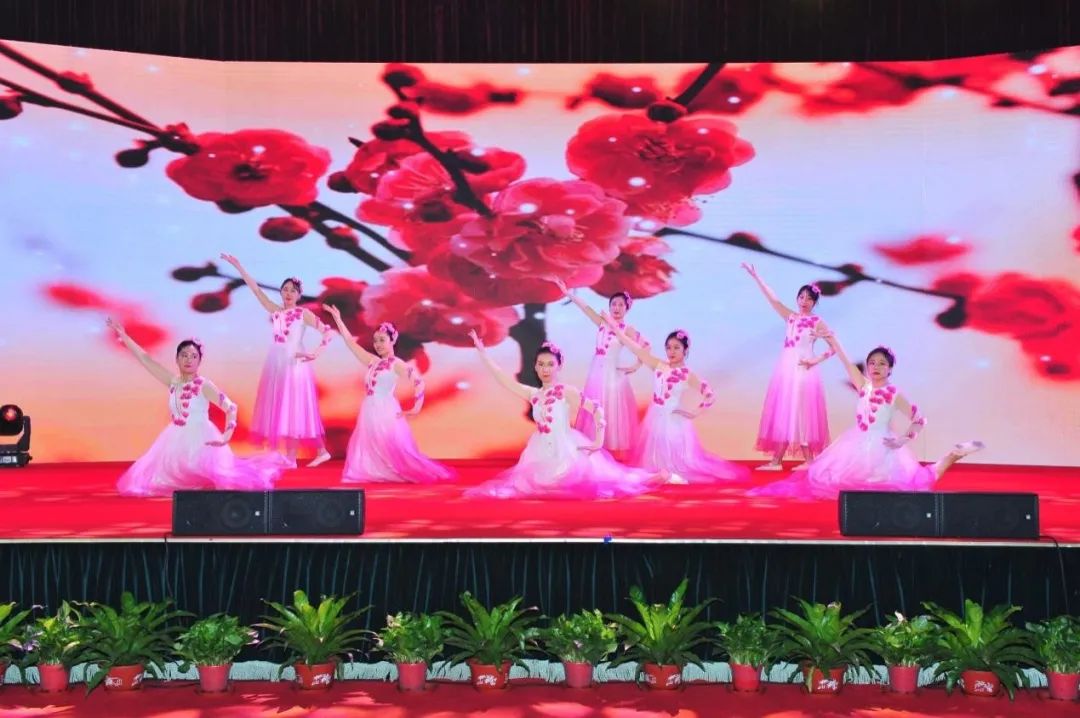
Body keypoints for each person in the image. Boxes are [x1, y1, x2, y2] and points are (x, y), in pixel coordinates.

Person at [752, 335, 984, 499]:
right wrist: (832, 340)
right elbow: (844, 360)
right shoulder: (863, 385)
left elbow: (919, 419)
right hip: (857, 443)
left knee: (912, 483)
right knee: (831, 480)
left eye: (882, 364)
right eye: (872, 363)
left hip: (883, 445)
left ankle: (953, 455)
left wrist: (902, 440)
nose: (875, 367)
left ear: (890, 369)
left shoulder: (894, 393)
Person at [463, 331, 660, 499]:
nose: (545, 369)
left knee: (587, 482)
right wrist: (483, 353)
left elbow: (596, 410)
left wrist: (598, 441)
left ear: (559, 366)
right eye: (541, 364)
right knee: (531, 485)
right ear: (535, 367)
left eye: (550, 364)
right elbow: (503, 379)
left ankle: (658, 477)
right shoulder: (533, 394)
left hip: (566, 450)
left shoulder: (566, 392)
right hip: (539, 451)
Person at [107, 318, 285, 497]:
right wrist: (125, 337)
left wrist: (226, 435)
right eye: (184, 355)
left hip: (201, 439)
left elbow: (231, 408)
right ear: (177, 359)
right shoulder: (173, 381)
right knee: (158, 481)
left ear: (199, 361)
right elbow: (146, 359)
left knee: (200, 476)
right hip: (175, 438)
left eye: (194, 356)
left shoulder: (204, 385)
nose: (189, 360)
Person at [601, 315, 749, 485]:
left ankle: (671, 474)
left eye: (676, 348)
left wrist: (693, 413)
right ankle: (662, 474)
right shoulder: (658, 365)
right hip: (655, 418)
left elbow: (709, 394)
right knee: (653, 459)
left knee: (674, 459)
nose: (671, 351)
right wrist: (615, 328)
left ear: (685, 350)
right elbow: (634, 348)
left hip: (673, 420)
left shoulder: (687, 375)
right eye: (668, 347)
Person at [220, 253, 333, 468]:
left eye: (293, 290)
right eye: (285, 289)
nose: (288, 293)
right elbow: (256, 290)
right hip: (277, 361)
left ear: (299, 295)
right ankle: (309, 454)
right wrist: (238, 266)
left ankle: (299, 456)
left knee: (295, 406)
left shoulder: (302, 313)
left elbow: (327, 331)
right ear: (281, 292)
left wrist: (315, 353)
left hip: (295, 362)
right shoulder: (276, 311)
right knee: (286, 406)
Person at [323, 305, 453, 484]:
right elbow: (350, 343)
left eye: (382, 340)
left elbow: (418, 381)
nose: (378, 344)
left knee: (390, 446)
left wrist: (416, 407)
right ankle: (374, 470)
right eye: (376, 340)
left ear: (392, 341)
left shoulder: (396, 364)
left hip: (385, 409)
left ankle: (393, 470)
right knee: (371, 444)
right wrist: (338, 318)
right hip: (369, 408)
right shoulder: (373, 361)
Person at [741, 263, 832, 471]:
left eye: (809, 299)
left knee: (802, 413)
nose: (804, 302)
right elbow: (773, 300)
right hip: (787, 370)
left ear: (815, 302)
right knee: (785, 412)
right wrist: (756, 276)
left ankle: (809, 461)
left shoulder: (817, 322)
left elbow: (834, 347)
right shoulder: (790, 317)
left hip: (804, 370)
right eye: (801, 297)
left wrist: (814, 360)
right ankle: (776, 461)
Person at [553, 277, 644, 460]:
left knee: (611, 409)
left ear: (627, 308)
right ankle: (594, 449)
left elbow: (644, 347)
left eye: (621, 305)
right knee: (595, 406)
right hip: (597, 372)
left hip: (613, 375)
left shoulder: (627, 329)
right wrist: (568, 293)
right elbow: (585, 308)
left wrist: (635, 366)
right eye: (614, 304)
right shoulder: (603, 322)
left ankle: (610, 452)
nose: (617, 308)